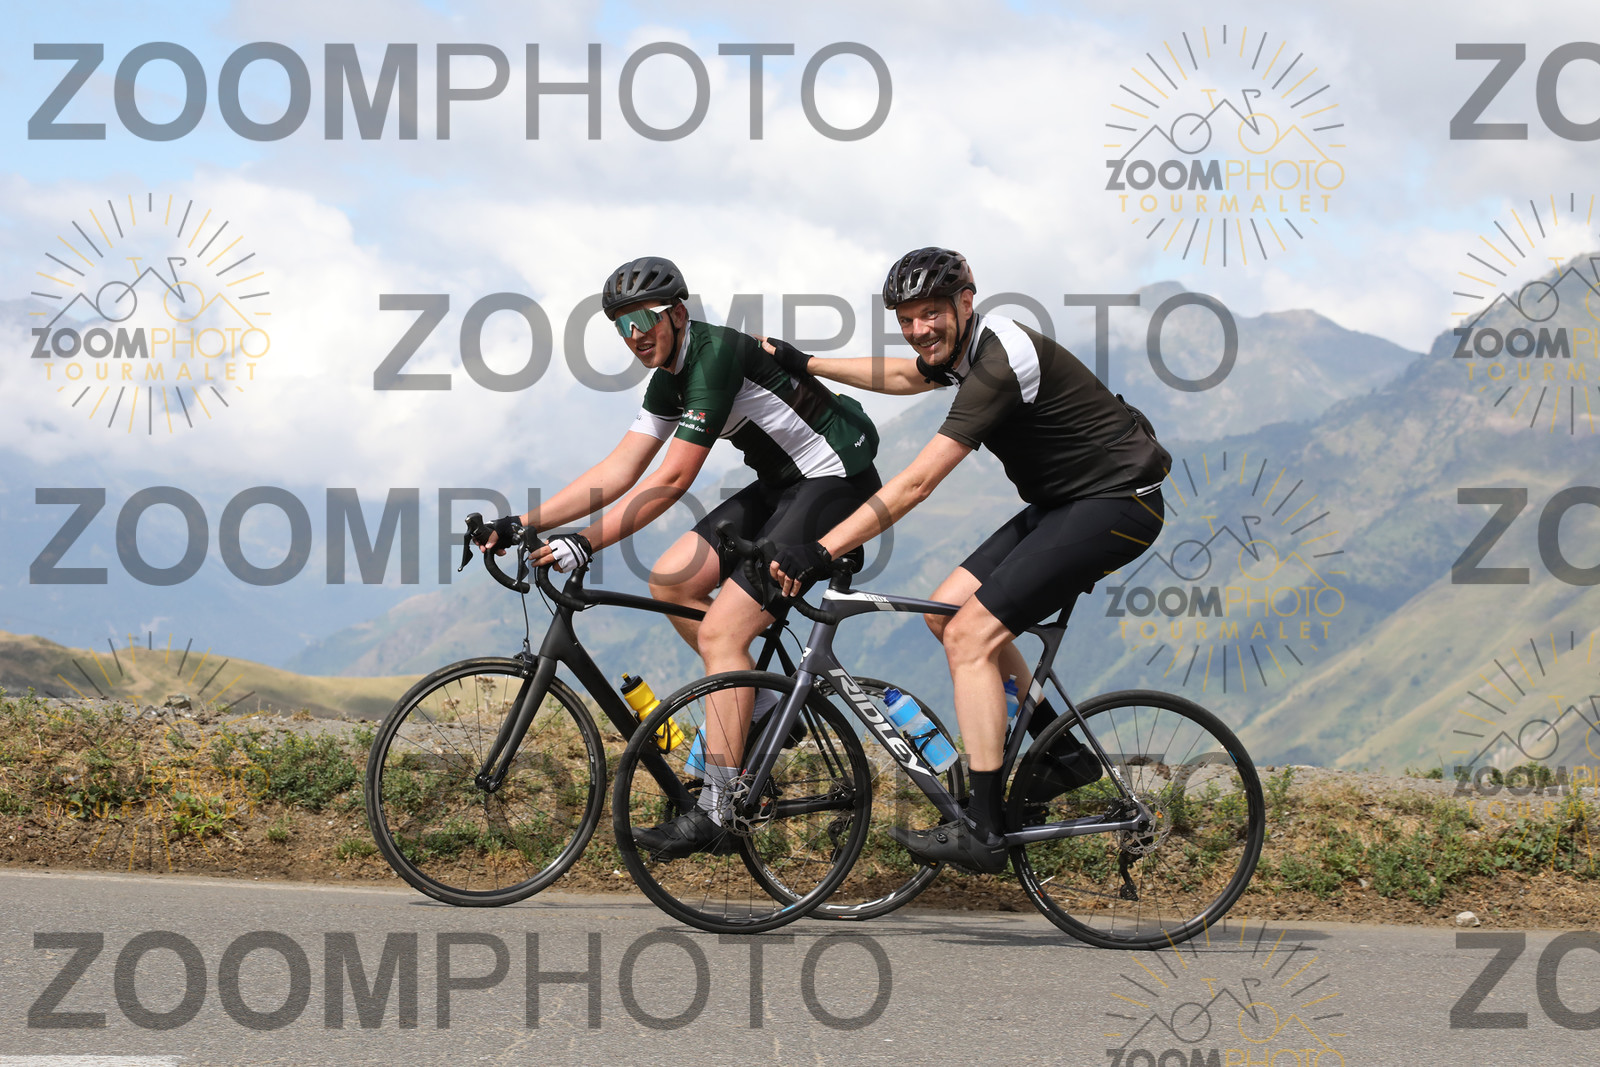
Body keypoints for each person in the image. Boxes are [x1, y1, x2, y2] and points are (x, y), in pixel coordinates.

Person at [768, 247, 1170, 873]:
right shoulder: (961, 350)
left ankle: (983, 832)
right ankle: (1062, 754)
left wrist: (822, 548)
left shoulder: (1000, 359)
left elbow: (917, 483)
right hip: (1065, 502)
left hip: (1118, 502)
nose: (918, 329)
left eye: (930, 313)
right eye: (906, 319)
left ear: (965, 302)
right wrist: (806, 363)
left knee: (970, 637)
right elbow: (904, 376)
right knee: (945, 612)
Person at [478, 255, 882, 859]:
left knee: (722, 634)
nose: (634, 335)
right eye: (621, 326)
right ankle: (765, 704)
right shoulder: (667, 376)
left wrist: (585, 541)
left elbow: (670, 481)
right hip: (781, 485)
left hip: (836, 481)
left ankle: (719, 808)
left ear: (677, 314)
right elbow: (621, 468)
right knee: (670, 579)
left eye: (643, 319)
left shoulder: (714, 356)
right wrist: (524, 522)